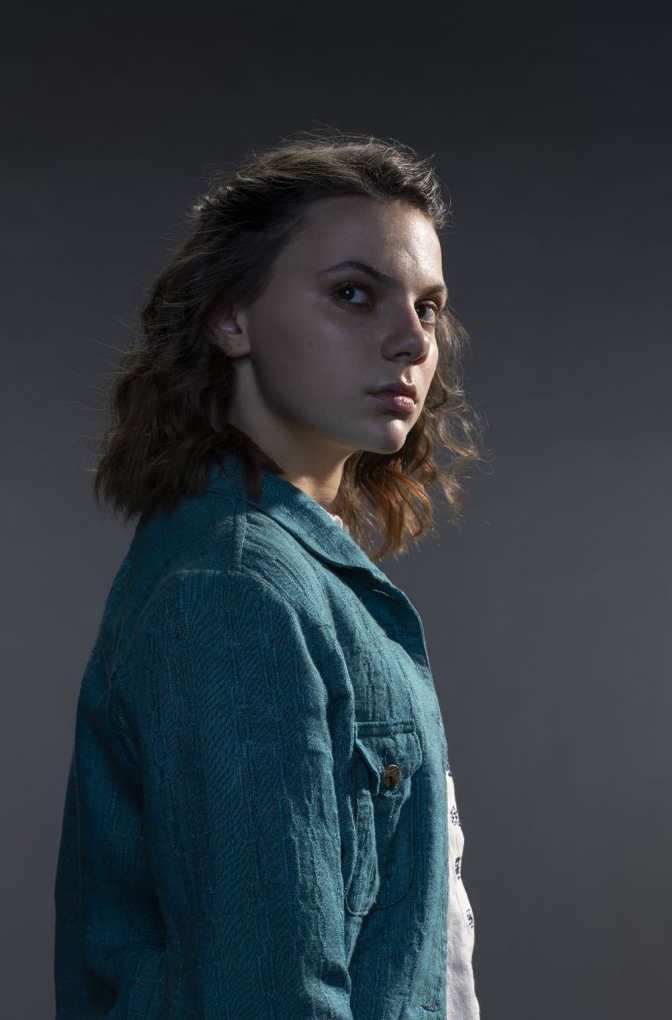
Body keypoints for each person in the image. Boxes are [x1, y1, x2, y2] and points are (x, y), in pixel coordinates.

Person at [53, 128, 488, 1018]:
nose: (411, 340)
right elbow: (266, 993)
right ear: (232, 318)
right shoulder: (239, 590)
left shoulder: (296, 573)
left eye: (429, 307)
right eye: (354, 293)